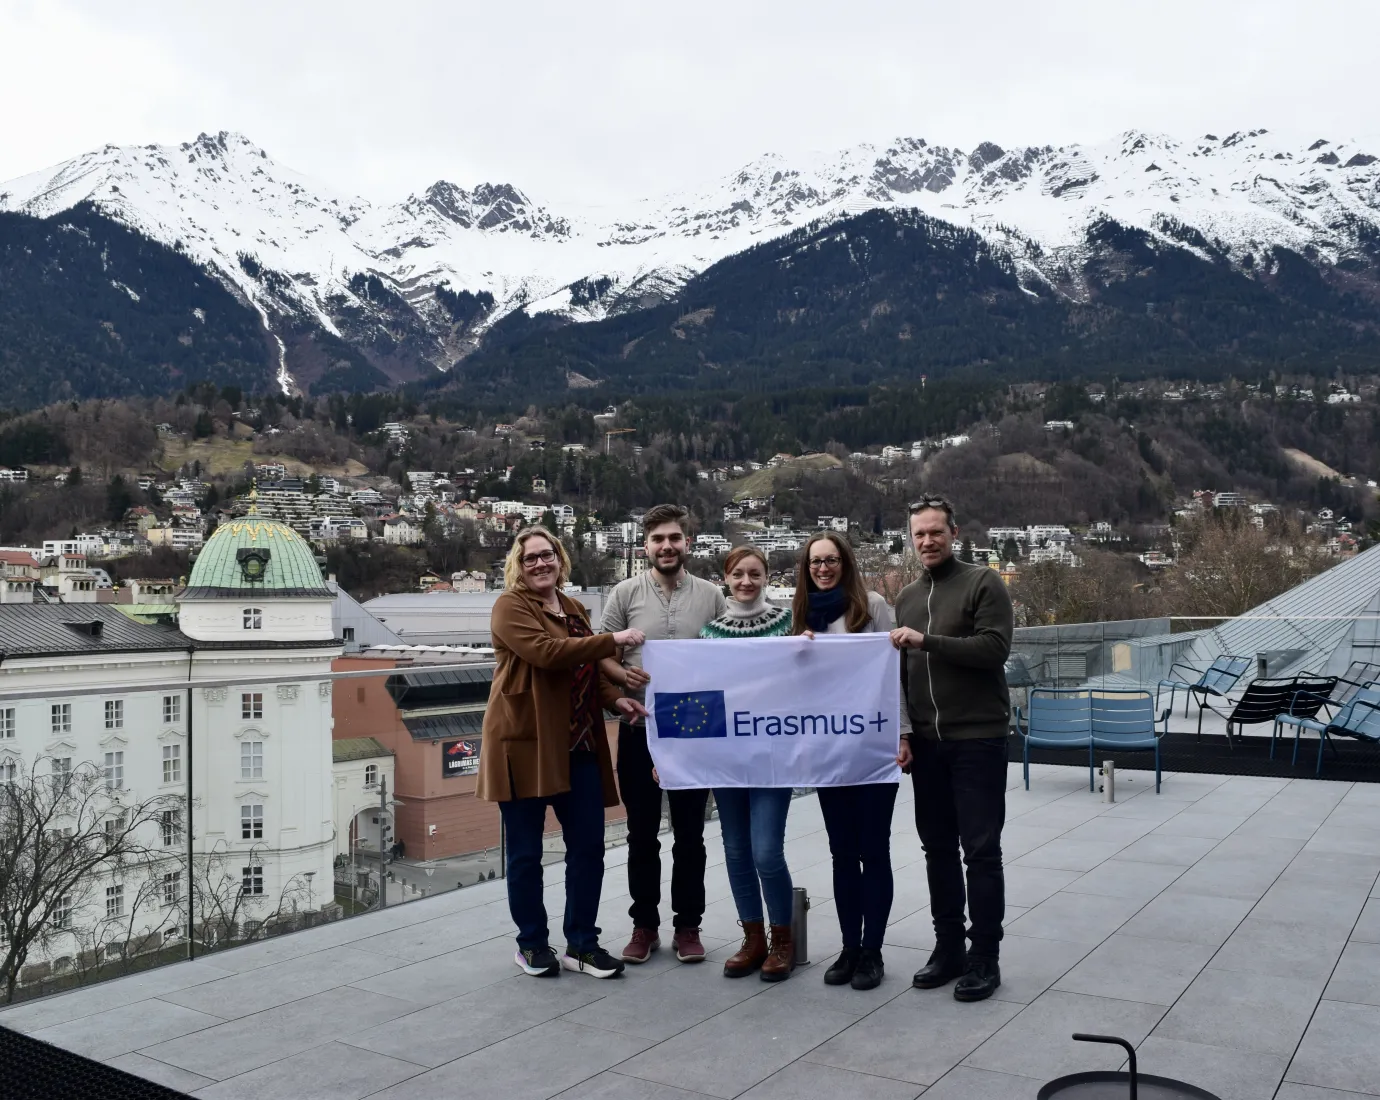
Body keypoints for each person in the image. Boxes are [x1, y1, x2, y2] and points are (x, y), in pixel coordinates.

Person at [476, 526, 649, 979]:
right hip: (525, 745)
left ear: (560, 559)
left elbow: (586, 668)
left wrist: (615, 700)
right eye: (530, 557)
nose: (539, 563)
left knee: (589, 848)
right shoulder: (510, 606)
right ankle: (531, 943)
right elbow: (549, 653)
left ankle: (582, 944)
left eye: (546, 555)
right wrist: (615, 640)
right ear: (518, 564)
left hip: (579, 744)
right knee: (526, 855)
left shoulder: (572, 607)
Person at [890, 496, 1014, 1002]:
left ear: (954, 532)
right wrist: (902, 733)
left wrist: (928, 641)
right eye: (919, 534)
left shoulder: (983, 582)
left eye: (935, 532)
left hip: (978, 738)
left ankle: (985, 954)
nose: (927, 542)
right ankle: (948, 948)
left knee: (981, 851)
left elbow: (995, 649)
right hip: (927, 741)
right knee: (936, 848)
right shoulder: (907, 595)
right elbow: (899, 672)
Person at [602, 504, 726, 965]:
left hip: (696, 732)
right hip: (640, 726)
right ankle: (644, 926)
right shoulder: (623, 594)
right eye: (658, 540)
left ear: (687, 542)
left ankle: (688, 926)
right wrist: (621, 675)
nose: (667, 546)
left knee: (691, 834)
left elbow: (729, 657)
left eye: (675, 538)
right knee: (641, 835)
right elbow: (601, 653)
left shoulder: (714, 596)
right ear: (645, 546)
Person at [792, 531, 907, 991]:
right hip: (828, 751)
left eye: (832, 560)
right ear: (807, 568)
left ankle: (873, 951)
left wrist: (904, 732)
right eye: (816, 562)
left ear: (846, 563)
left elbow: (893, 673)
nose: (823, 568)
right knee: (842, 854)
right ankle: (849, 946)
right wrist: (793, 652)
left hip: (872, 747)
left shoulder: (873, 605)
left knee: (873, 851)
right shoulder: (800, 615)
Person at [699, 546, 796, 980]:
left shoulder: (788, 624)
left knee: (766, 851)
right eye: (738, 574)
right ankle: (753, 938)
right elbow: (699, 697)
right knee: (736, 850)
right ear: (726, 577)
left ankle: (784, 939)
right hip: (728, 759)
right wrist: (675, 753)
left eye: (755, 574)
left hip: (773, 756)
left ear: (767, 577)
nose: (746, 581)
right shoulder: (710, 632)